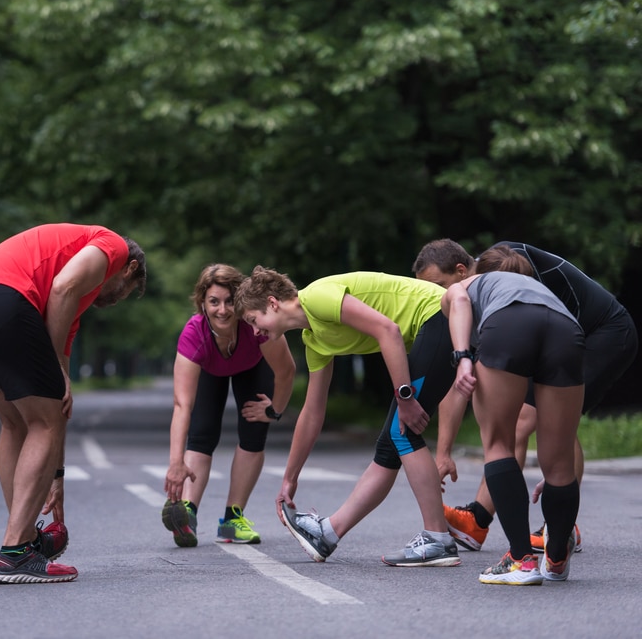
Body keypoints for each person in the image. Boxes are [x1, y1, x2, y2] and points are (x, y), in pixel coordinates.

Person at [0, 223, 146, 584]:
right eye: (122, 292)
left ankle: (24, 541)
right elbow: (64, 285)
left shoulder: (68, 313)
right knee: (41, 423)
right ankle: (15, 551)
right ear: (128, 269)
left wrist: (58, 477)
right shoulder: (111, 245)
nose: (110, 300)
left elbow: (58, 406)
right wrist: (53, 369)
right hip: (1, 301)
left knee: (17, 423)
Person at [413, 239, 638, 553]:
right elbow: (461, 379)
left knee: (537, 421)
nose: (438, 296)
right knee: (510, 421)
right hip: (552, 333)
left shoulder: (508, 262)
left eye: (439, 285)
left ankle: (560, 526)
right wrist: (443, 452)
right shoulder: (480, 299)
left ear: (462, 271)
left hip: (603, 332)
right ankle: (477, 520)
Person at [234, 267, 461, 567]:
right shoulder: (313, 339)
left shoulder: (316, 297)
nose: (255, 331)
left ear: (273, 303)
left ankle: (438, 538)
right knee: (389, 447)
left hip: (439, 316)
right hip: (431, 329)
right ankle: (328, 534)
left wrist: (404, 397)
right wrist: (290, 478)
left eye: (253, 320)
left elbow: (388, 330)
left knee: (402, 432)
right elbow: (312, 412)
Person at [441, 248, 586, 584]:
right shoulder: (534, 288)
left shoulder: (463, 285)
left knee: (498, 443)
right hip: (566, 328)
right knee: (559, 460)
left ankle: (521, 560)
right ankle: (557, 559)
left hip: (508, 325)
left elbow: (459, 302)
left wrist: (462, 356)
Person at [161, 264, 296, 547]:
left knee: (254, 431)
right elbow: (181, 404)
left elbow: (286, 371)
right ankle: (187, 514)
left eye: (229, 301)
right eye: (213, 302)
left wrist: (274, 411)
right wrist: (175, 463)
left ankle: (233, 519)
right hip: (211, 367)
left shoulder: (256, 326)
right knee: (202, 433)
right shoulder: (194, 335)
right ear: (202, 303)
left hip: (252, 365)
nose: (222, 310)